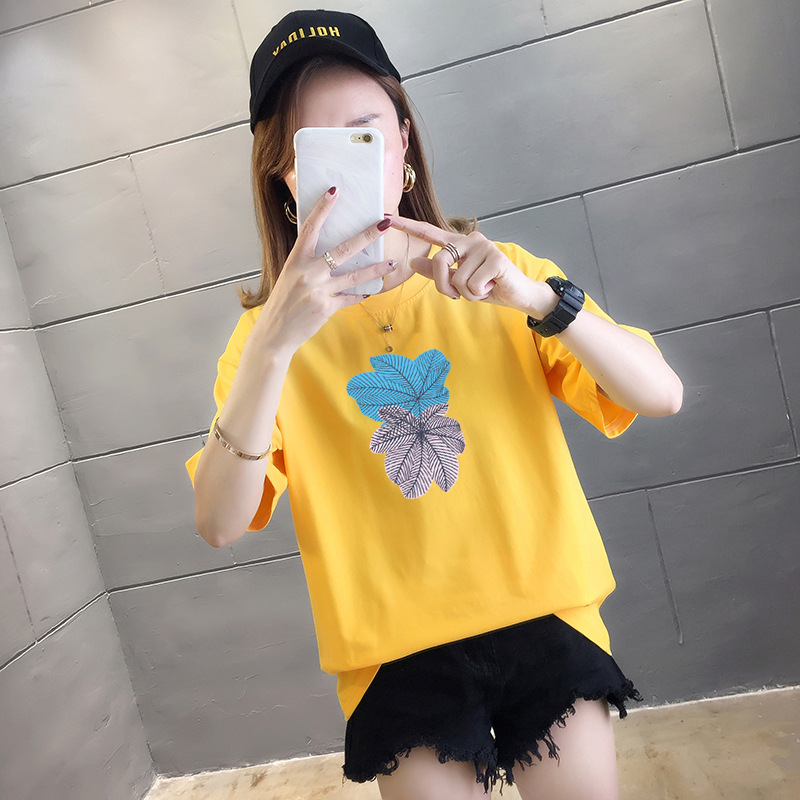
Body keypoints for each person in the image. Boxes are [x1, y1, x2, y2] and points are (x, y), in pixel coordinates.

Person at [185, 9, 683, 800]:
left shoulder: (503, 276)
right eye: (317, 148)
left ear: (404, 143)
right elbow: (218, 521)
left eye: (366, 133)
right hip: (395, 654)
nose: (348, 167)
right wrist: (273, 347)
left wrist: (535, 299)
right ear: (283, 175)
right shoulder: (263, 341)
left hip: (546, 609)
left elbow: (661, 394)